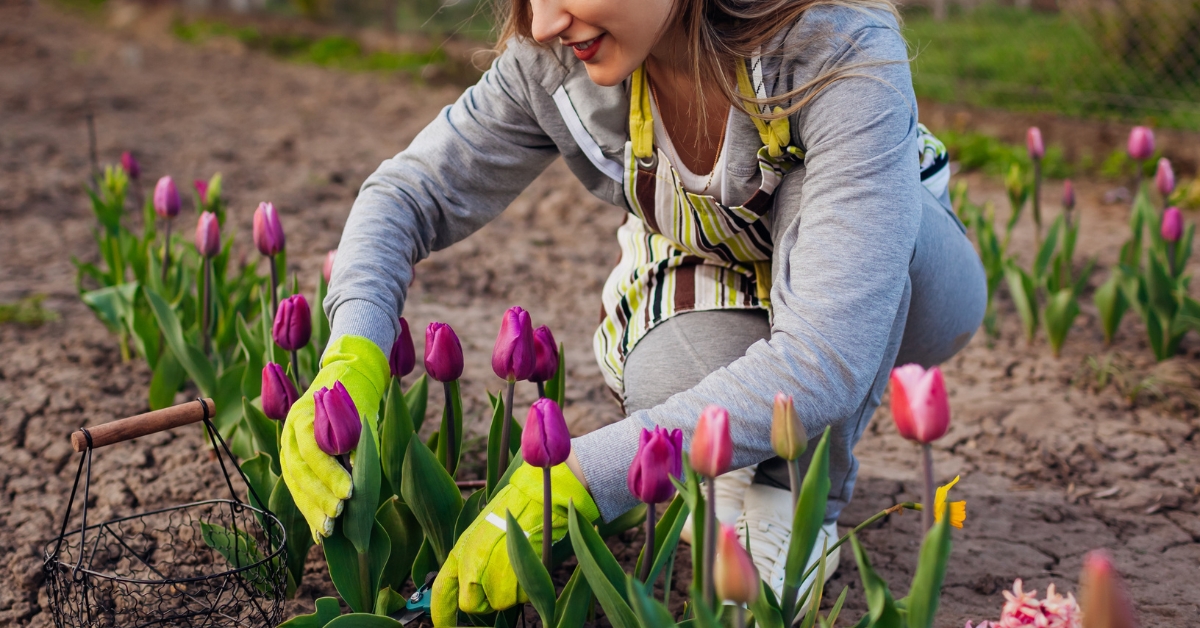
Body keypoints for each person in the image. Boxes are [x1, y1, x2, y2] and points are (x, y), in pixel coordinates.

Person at [278, 0, 987, 622]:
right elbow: (405, 196)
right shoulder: (555, 60)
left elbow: (829, 352)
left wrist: (587, 475)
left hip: (899, 279)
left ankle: (796, 500)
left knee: (825, 287)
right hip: (716, 264)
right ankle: (734, 466)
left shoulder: (835, 47)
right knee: (662, 390)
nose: (542, 22)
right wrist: (354, 352)